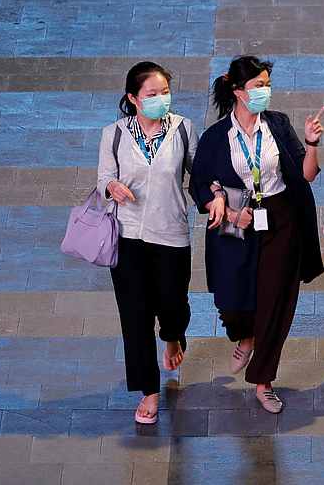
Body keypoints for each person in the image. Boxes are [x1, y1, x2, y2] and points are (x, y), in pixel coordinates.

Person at [189, 56, 324, 414]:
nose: (265, 91)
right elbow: (198, 183)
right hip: (238, 219)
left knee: (275, 302)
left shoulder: (278, 124)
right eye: (257, 86)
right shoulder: (217, 136)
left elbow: (307, 174)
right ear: (237, 92)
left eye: (267, 84)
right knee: (231, 298)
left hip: (281, 217)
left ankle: (264, 381)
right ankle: (243, 336)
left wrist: (312, 144)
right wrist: (220, 206)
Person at [97, 61, 198, 425]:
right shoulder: (114, 133)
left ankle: (173, 336)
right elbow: (104, 177)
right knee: (135, 317)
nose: (161, 100)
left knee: (173, 303)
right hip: (128, 238)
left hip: (171, 233)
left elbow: (198, 174)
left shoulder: (184, 128)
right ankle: (149, 390)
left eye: (165, 93)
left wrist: (217, 195)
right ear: (133, 98)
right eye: (152, 95)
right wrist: (112, 187)